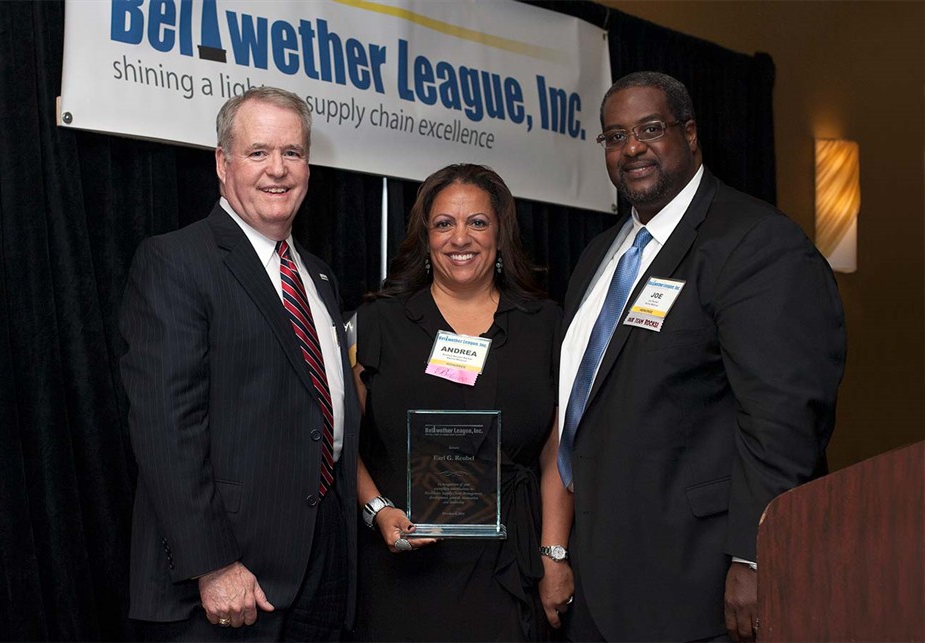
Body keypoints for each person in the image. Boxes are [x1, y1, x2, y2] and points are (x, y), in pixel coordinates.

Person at [554, 72, 846, 642]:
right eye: (614, 136)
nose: (631, 147)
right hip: (601, 579)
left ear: (691, 135)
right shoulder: (598, 256)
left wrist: (757, 556)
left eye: (650, 129)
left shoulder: (755, 242)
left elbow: (783, 417)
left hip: (701, 583)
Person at [119, 87, 359, 641]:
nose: (278, 169)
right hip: (227, 581)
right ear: (223, 163)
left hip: (320, 569)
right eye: (258, 153)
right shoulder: (176, 261)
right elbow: (165, 429)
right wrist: (213, 564)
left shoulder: (318, 276)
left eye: (293, 153)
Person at [350, 164, 574, 641]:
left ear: (500, 234)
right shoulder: (379, 323)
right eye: (444, 223)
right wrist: (377, 510)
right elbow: (341, 439)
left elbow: (557, 448)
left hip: (511, 565)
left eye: (477, 222)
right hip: (405, 563)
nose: (460, 238)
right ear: (425, 237)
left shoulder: (545, 324)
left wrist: (554, 552)